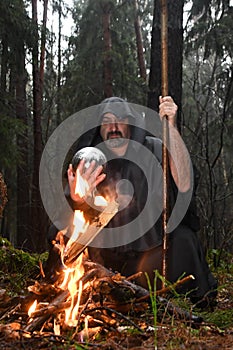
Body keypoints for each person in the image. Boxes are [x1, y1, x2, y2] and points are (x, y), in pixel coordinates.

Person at [45, 96, 217, 307]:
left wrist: (171, 126)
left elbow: (184, 183)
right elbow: (78, 222)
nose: (113, 127)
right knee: (62, 233)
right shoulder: (91, 160)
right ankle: (80, 299)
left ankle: (178, 303)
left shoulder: (155, 149)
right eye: (107, 120)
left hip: (149, 260)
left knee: (183, 239)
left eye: (120, 119)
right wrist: (78, 200)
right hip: (104, 263)